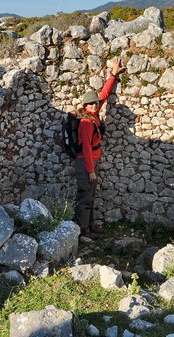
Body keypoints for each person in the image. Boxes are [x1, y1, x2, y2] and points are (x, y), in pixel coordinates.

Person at [74, 57, 125, 238]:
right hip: (85, 163)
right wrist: (91, 171)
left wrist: (113, 74)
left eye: (95, 103)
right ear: (85, 106)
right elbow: (86, 148)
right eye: (91, 104)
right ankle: (83, 232)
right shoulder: (87, 123)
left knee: (90, 196)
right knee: (85, 197)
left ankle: (89, 227)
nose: (95, 105)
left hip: (91, 162)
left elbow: (103, 95)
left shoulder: (94, 114)